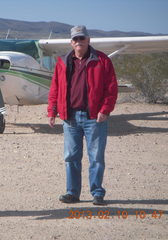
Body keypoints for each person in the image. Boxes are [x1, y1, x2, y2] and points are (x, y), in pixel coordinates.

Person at [47, 25, 118, 205]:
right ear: (71, 42)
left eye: (82, 38)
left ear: (88, 40)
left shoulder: (102, 60)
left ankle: (97, 193)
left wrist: (105, 110)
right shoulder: (62, 62)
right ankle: (72, 193)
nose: (79, 42)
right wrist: (52, 111)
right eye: (75, 39)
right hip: (69, 117)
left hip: (94, 117)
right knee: (71, 156)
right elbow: (55, 88)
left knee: (96, 157)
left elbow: (111, 88)